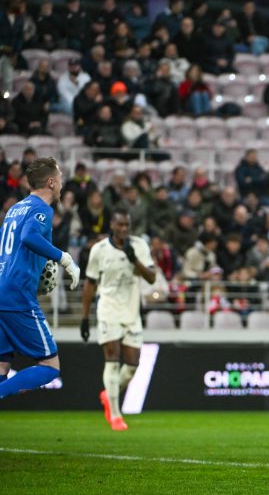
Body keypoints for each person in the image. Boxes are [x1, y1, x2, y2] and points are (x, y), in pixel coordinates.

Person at [0, 158, 81, 400]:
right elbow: (29, 236)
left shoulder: (15, 209)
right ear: (51, 182)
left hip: (3, 289)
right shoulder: (42, 209)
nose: (62, 183)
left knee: (2, 366)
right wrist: (64, 258)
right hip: (17, 296)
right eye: (61, 178)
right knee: (50, 366)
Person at [79, 210, 156, 431]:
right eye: (120, 225)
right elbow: (90, 283)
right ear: (112, 225)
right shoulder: (99, 250)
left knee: (132, 366)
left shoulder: (139, 245)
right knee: (112, 360)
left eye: (127, 225)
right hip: (108, 310)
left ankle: (108, 394)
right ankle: (115, 415)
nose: (124, 229)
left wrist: (134, 260)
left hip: (131, 312)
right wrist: (85, 317)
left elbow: (152, 278)